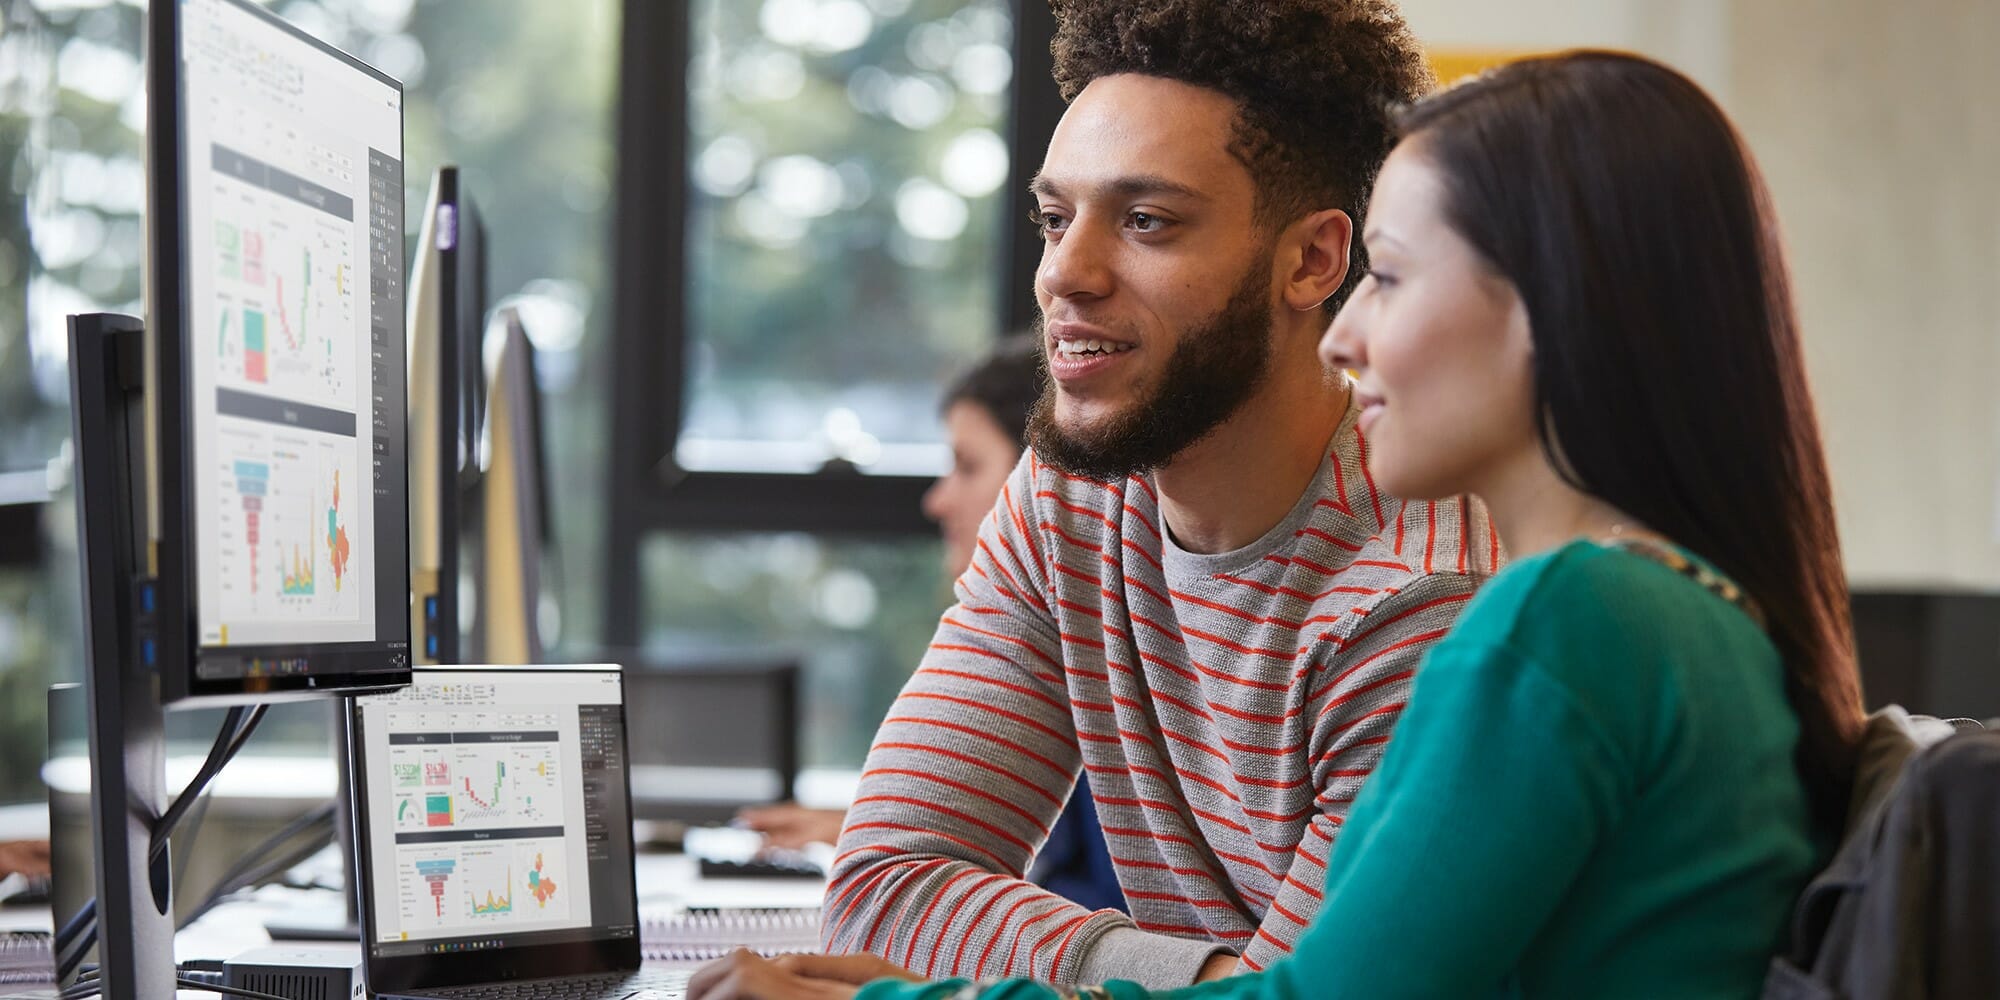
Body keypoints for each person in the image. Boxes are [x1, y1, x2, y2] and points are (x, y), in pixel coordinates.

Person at [687, 48, 1869, 1000]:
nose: (1349, 340)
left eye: (1391, 280)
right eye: (1053, 220)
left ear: (1540, 314)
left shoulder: (1554, 620)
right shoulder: (1655, 608)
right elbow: (887, 882)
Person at [723, 0, 1493, 991]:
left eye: (1145, 222)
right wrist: (1197, 977)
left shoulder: (1414, 598)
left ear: (1311, 261)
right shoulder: (1069, 501)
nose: (1064, 274)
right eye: (1054, 218)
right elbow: (884, 886)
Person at [742, 334, 1127, 912]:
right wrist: (889, 836)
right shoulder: (1051, 640)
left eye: (968, 466)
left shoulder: (1121, 665)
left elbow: (1098, 897)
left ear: (1045, 479)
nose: (937, 501)